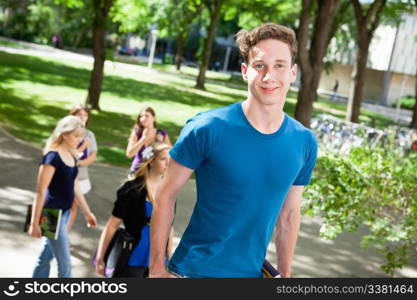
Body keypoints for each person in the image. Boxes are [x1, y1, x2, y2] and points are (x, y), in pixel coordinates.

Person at [149, 23, 318, 278]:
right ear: (245, 71)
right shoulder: (207, 128)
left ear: (292, 73)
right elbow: (165, 196)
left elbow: (289, 216)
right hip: (192, 272)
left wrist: (285, 276)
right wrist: (156, 269)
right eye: (259, 66)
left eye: (279, 65)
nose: (268, 76)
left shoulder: (304, 142)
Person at [29, 116, 97, 278]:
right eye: (76, 136)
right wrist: (34, 222)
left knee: (46, 257)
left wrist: (87, 213)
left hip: (64, 214)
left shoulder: (72, 156)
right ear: (64, 135)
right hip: (51, 214)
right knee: (65, 263)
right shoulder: (52, 157)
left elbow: (75, 186)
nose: (79, 140)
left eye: (81, 136)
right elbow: (40, 191)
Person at [95, 142, 173, 277]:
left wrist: (170, 255)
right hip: (133, 255)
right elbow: (111, 226)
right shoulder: (132, 190)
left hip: (158, 259)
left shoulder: (169, 191)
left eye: (170, 159)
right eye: (163, 159)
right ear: (151, 161)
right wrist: (100, 257)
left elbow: (169, 227)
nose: (168, 163)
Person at [67, 105, 98, 232]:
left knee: (73, 205)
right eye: (79, 114)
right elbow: (67, 157)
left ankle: (64, 233)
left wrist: (78, 164)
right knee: (64, 205)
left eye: (85, 115)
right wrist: (82, 146)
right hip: (65, 177)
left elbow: (93, 156)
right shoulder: (66, 134)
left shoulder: (89, 135)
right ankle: (56, 235)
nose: (82, 117)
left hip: (80, 176)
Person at [126, 107, 171, 177]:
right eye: (141, 116)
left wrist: (159, 142)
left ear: (153, 118)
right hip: (137, 172)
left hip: (155, 174)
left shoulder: (161, 134)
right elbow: (129, 154)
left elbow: (170, 155)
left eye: (146, 116)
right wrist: (143, 139)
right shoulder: (137, 133)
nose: (143, 118)